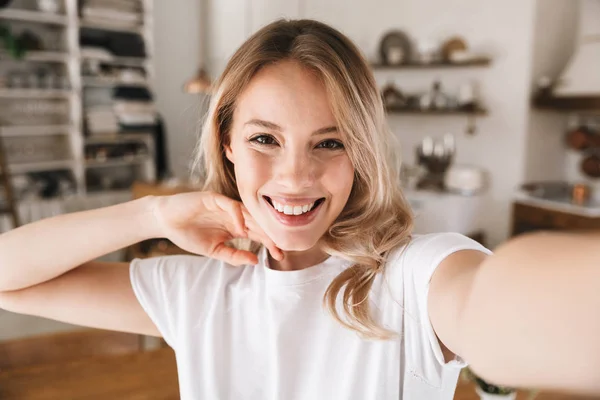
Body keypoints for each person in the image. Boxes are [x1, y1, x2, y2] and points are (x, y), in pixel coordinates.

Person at [0, 19, 598, 400]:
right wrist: (151, 216)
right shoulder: (199, 290)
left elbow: (496, 302)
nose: (295, 175)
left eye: (330, 142)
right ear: (228, 144)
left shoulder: (413, 278)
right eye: (265, 139)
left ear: (360, 154)